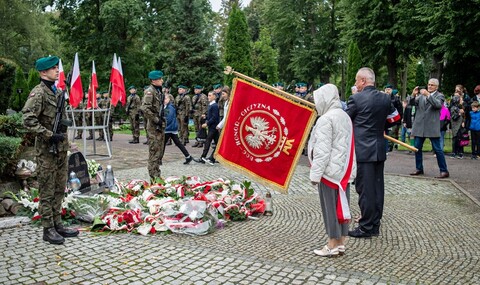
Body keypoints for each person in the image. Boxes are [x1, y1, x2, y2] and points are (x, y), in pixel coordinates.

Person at [22, 56, 79, 245]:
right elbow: (28, 119)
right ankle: (48, 229)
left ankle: (58, 223)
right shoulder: (38, 94)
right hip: (47, 150)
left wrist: (65, 137)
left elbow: (61, 119)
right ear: (43, 72)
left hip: (61, 148)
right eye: (53, 68)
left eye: (57, 68)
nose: (57, 71)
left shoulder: (58, 92)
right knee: (47, 189)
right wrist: (47, 134)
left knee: (59, 188)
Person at [345, 67, 400, 238]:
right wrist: (382, 126)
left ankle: (366, 227)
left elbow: (345, 120)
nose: (355, 84)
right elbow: (395, 118)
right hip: (378, 148)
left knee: (365, 189)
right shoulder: (385, 98)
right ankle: (375, 224)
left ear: (363, 81)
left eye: (356, 80)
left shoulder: (356, 98)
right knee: (377, 189)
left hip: (363, 150)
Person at [308, 84, 356, 257]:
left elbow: (322, 151)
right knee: (341, 207)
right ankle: (341, 242)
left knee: (330, 209)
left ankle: (332, 244)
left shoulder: (326, 119)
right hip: (343, 170)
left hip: (330, 172)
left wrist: (315, 175)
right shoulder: (344, 116)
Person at [409, 78, 449, 178]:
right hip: (420, 126)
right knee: (417, 148)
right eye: (429, 84)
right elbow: (412, 103)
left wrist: (428, 95)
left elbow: (438, 105)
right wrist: (413, 95)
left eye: (432, 85)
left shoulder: (440, 96)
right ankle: (419, 168)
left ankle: (444, 170)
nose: (429, 86)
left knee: (437, 149)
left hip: (431, 126)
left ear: (436, 86)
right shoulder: (421, 95)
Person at [141, 70, 166, 182]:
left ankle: (157, 174)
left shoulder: (158, 91)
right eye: (160, 79)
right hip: (153, 126)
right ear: (154, 80)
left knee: (159, 151)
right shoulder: (150, 92)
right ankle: (153, 177)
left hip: (159, 125)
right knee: (154, 151)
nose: (162, 80)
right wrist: (156, 119)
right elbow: (144, 108)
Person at [163, 95, 193, 164]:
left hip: (169, 128)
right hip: (171, 128)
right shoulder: (166, 106)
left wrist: (163, 124)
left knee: (162, 144)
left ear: (169, 99)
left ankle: (159, 159)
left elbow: (169, 118)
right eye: (164, 99)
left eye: (166, 98)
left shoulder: (169, 107)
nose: (164, 100)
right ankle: (188, 156)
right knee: (178, 143)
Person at [194, 91, 219, 165]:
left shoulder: (214, 105)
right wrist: (205, 117)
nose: (208, 97)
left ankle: (203, 157)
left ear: (214, 96)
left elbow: (214, 117)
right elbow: (211, 116)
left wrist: (207, 123)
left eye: (210, 95)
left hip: (213, 127)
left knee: (208, 141)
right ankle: (213, 157)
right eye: (208, 95)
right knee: (217, 144)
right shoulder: (211, 105)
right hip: (212, 127)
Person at [449, 94, 465, 158]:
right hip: (455, 126)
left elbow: (463, 116)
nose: (462, 101)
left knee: (460, 139)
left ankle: (460, 152)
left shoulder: (460, 107)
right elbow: (453, 117)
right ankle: (454, 152)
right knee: (455, 139)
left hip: (460, 125)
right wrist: (459, 113)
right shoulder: (453, 108)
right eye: (460, 100)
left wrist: (463, 121)